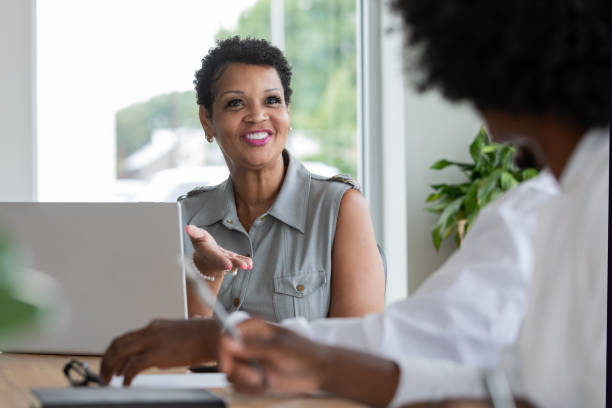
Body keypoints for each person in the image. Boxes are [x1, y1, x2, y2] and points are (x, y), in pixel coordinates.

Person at [214, 1, 609, 407]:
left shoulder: (566, 209)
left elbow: (424, 340)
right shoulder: (553, 205)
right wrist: (315, 364)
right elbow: (510, 385)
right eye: (234, 103)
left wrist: (242, 341)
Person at [180, 36, 385, 321]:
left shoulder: (341, 208)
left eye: (272, 100)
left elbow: (356, 348)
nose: (257, 115)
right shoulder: (186, 218)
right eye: (236, 103)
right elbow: (175, 349)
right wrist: (207, 273)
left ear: (287, 111)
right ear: (207, 120)